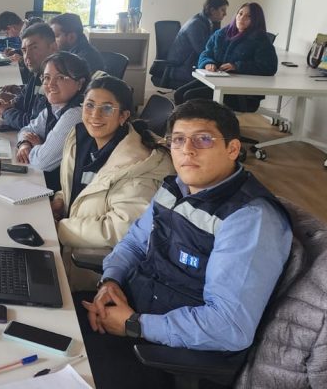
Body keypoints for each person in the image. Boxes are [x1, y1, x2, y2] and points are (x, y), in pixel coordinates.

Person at [78, 99, 292, 389]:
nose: (187, 150)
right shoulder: (175, 188)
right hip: (130, 311)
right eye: (178, 140)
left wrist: (135, 324)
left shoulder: (248, 219)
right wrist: (110, 281)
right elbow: (134, 244)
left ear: (232, 149)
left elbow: (229, 326)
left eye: (203, 139)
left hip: (165, 356)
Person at [50, 75, 173, 290]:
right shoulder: (82, 139)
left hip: (96, 276)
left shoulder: (139, 164)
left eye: (107, 108)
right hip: (64, 250)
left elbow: (122, 227)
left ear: (123, 116)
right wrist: (60, 201)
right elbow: (81, 188)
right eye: (89, 105)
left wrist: (60, 228)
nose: (95, 115)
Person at [173, 2, 278, 111]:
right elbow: (206, 52)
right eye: (240, 13)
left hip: (240, 93)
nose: (242, 18)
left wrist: (237, 66)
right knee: (179, 94)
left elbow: (269, 67)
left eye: (249, 16)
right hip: (216, 81)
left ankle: (201, 121)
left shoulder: (260, 39)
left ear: (256, 20)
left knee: (190, 96)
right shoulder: (222, 33)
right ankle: (182, 121)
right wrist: (208, 62)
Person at [15, 52, 90, 192]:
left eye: (60, 77)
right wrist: (24, 144)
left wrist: (39, 146)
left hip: (62, 194)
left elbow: (42, 162)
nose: (51, 84)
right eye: (47, 77)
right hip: (44, 183)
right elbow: (26, 129)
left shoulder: (75, 114)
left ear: (80, 83)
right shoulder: (56, 107)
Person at [0, 23, 58, 130]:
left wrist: (6, 112)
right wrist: (13, 102)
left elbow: (34, 124)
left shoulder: (56, 82)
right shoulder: (38, 72)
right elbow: (26, 101)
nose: (27, 56)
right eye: (24, 50)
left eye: (34, 48)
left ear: (53, 48)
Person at [159, 0, 229, 89]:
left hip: (191, 64)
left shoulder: (211, 23)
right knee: (214, 83)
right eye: (222, 10)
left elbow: (215, 46)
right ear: (212, 10)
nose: (225, 14)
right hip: (180, 68)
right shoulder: (196, 25)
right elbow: (203, 50)